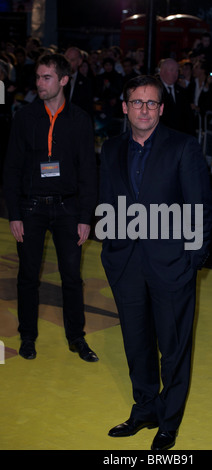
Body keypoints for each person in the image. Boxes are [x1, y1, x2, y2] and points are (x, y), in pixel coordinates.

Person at [98, 75, 212, 450]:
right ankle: (145, 408)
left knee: (174, 347)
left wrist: (192, 261)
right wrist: (110, 250)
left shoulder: (183, 147)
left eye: (151, 103)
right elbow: (107, 200)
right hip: (126, 264)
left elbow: (200, 207)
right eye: (136, 102)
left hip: (171, 265)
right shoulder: (111, 148)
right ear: (125, 107)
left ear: (161, 109)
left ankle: (169, 421)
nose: (144, 109)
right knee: (137, 342)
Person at [3, 53, 99, 362]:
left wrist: (86, 218)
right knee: (28, 276)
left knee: (72, 277)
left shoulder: (81, 120)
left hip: (68, 210)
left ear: (63, 80)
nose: (40, 83)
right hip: (31, 209)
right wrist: (14, 214)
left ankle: (77, 337)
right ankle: (27, 336)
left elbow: (88, 172)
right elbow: (12, 169)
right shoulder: (25, 117)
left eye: (46, 77)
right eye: (38, 77)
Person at [158, 58, 195, 135]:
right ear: (162, 71)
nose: (175, 74)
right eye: (171, 70)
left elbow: (188, 117)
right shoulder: (154, 89)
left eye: (177, 71)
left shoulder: (182, 91)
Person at [64, 46, 94, 119]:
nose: (68, 63)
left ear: (79, 62)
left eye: (72, 60)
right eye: (66, 59)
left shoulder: (86, 83)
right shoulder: (55, 79)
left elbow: (88, 108)